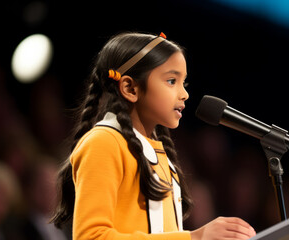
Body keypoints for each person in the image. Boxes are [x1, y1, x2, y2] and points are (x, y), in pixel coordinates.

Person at [51, 32, 256, 240]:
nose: (184, 94)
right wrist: (193, 237)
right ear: (130, 88)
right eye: (171, 80)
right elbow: (91, 236)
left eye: (183, 83)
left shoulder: (161, 157)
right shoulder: (104, 142)